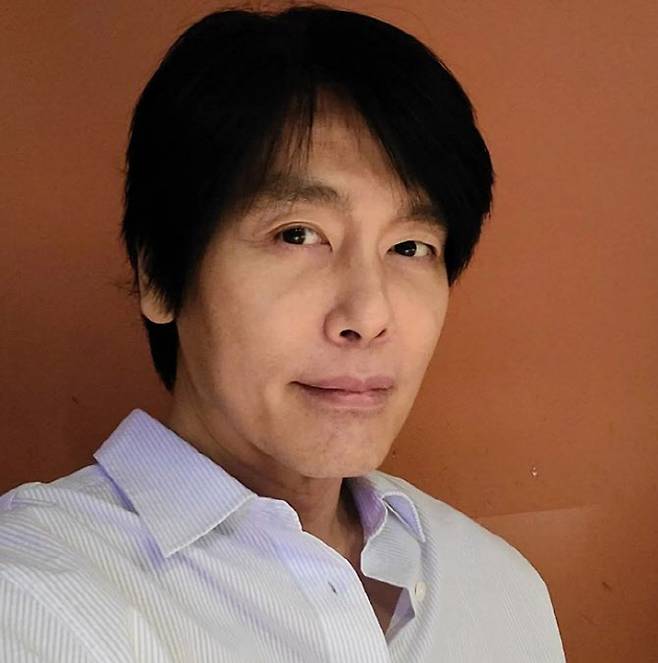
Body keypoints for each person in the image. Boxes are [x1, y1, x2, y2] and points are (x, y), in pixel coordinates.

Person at [0, 4, 565, 661]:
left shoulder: (497, 587)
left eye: (410, 246)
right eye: (298, 234)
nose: (368, 315)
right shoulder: (35, 598)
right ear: (159, 275)